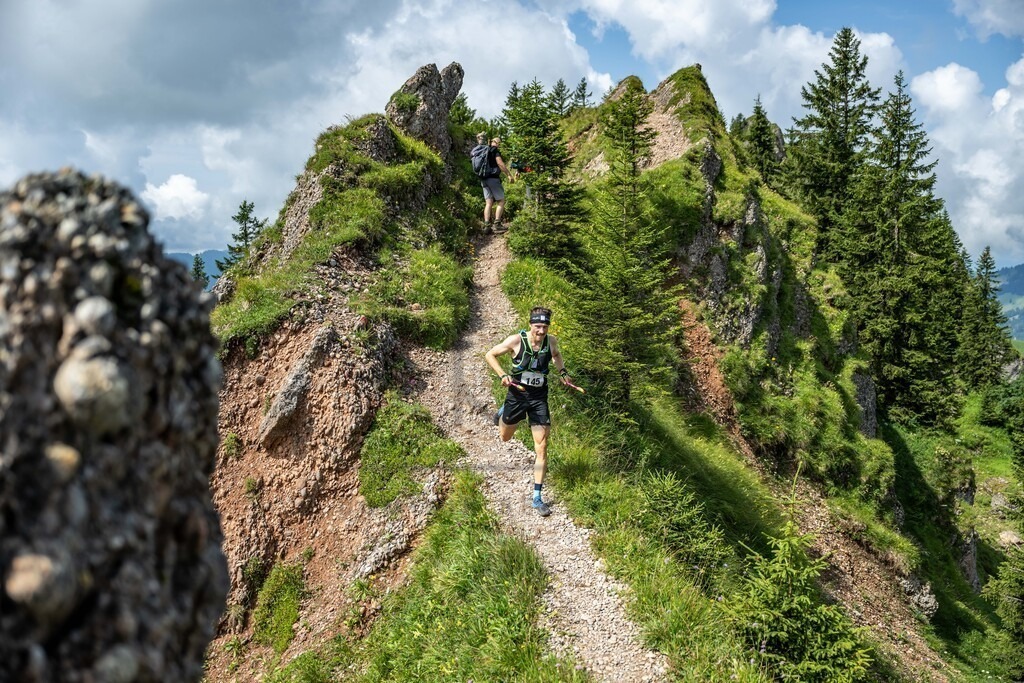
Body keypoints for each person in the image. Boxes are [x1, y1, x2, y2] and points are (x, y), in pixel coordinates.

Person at [484, 306, 572, 516]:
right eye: (538, 326)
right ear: (531, 324)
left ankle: (537, 497)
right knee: (505, 437)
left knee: (542, 446)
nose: (541, 331)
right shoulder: (516, 340)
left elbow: (557, 355)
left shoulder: (551, 342)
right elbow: (490, 354)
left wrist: (563, 372)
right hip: (517, 395)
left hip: (539, 398)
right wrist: (502, 375)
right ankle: (504, 411)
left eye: (545, 326)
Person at [476, 133, 511, 233]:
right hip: (493, 179)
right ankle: (497, 224)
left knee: (489, 202)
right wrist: (508, 174)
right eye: (499, 143)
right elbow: (500, 163)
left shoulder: (484, 150)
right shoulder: (494, 150)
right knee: (501, 200)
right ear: (497, 143)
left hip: (484, 179)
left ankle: (487, 226)